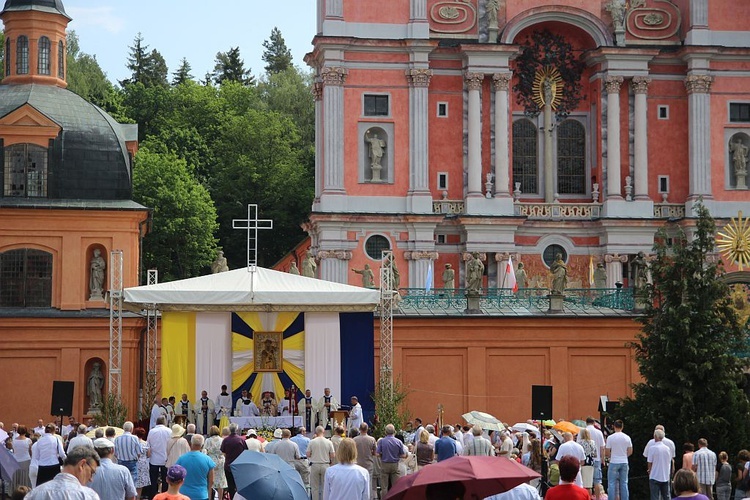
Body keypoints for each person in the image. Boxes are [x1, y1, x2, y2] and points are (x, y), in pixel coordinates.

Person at [25, 447, 100, 500]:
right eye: (92, 472)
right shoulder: (89, 496)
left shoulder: (34, 494)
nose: (91, 479)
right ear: (82, 465)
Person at [176, 434, 215, 500]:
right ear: (202, 445)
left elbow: (176, 477)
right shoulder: (208, 460)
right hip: (201, 494)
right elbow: (211, 481)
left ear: (191, 443)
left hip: (184, 494)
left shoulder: (181, 459)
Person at [376, 424, 407, 495]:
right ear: (394, 431)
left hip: (384, 464)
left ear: (385, 432)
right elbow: (403, 455)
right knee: (395, 486)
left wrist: (382, 455)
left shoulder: (382, 441)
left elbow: (377, 454)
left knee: (384, 487)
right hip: (395, 465)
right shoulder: (398, 442)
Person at [605, 420, 632, 500]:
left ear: (614, 426)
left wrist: (612, 456)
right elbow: (630, 451)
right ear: (622, 427)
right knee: (624, 483)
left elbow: (607, 451)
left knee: (611, 483)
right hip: (624, 461)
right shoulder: (627, 437)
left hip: (614, 461)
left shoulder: (610, 438)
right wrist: (624, 455)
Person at [219, 423, 247, 499]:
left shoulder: (226, 440)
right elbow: (245, 451)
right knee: (239, 485)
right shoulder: (241, 439)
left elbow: (223, 452)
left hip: (228, 465)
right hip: (239, 465)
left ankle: (232, 498)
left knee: (230, 485)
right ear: (237, 430)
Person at [577, 416, 606, 489]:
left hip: (585, 460)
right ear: (594, 423)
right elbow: (602, 447)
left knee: (586, 482)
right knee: (597, 481)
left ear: (586, 423)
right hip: (596, 459)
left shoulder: (581, 432)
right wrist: (603, 459)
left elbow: (578, 446)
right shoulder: (599, 432)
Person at [308, 426, 335, 500]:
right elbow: (333, 455)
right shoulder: (329, 442)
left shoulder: (312, 441)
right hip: (325, 464)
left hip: (315, 464)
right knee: (325, 486)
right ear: (324, 432)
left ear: (315, 433)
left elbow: (308, 454)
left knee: (315, 487)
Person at [148, 415, 172, 497]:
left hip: (154, 459)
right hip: (165, 458)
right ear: (165, 422)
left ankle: (153, 496)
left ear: (156, 422)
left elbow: (148, 445)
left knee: (153, 479)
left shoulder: (152, 431)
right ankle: (165, 496)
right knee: (166, 479)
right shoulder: (169, 431)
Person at [647, 429, 672, 500]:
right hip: (665, 476)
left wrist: (649, 471)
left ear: (655, 436)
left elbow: (649, 462)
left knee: (655, 497)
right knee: (666, 496)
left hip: (654, 475)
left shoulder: (652, 448)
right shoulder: (667, 448)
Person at [353, 423, 376, 498]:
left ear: (359, 429)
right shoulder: (372, 439)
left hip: (358, 463)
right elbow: (375, 452)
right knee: (369, 483)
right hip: (368, 463)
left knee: (357, 482)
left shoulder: (354, 440)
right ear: (367, 429)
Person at [203, 426, 226, 500]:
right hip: (220, 460)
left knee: (210, 481)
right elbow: (224, 451)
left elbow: (204, 451)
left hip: (211, 461)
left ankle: (209, 498)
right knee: (221, 482)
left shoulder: (208, 440)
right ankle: (220, 498)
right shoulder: (222, 440)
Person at [11, 425, 31, 490]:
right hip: (26, 459)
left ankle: (15, 491)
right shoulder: (28, 440)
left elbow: (14, 451)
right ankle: (25, 490)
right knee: (25, 477)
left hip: (15, 460)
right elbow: (30, 451)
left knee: (15, 477)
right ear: (25, 431)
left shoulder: (14, 440)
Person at [133, 427, 151, 500]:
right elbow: (149, 454)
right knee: (140, 484)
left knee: (133, 482)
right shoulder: (146, 443)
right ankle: (138, 498)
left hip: (135, 462)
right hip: (143, 463)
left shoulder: (133, 442)